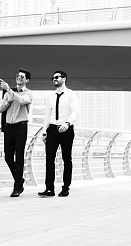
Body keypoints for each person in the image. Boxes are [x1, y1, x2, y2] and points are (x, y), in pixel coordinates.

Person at [38, 70, 79, 198]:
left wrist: (67, 123)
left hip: (66, 129)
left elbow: (75, 111)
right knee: (49, 159)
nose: (54, 79)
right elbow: (47, 115)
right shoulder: (50, 96)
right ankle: (49, 188)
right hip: (52, 130)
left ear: (64, 79)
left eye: (57, 77)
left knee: (67, 159)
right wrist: (44, 130)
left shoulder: (71, 94)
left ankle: (65, 188)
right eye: (53, 78)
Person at [0, 68, 33, 197]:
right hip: (9, 127)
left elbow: (22, 101)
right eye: (18, 76)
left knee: (19, 156)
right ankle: (20, 180)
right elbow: (0, 109)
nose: (19, 78)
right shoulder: (8, 94)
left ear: (27, 80)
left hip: (21, 127)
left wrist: (9, 91)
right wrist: (8, 101)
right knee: (7, 157)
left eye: (22, 77)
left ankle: (17, 187)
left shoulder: (28, 93)